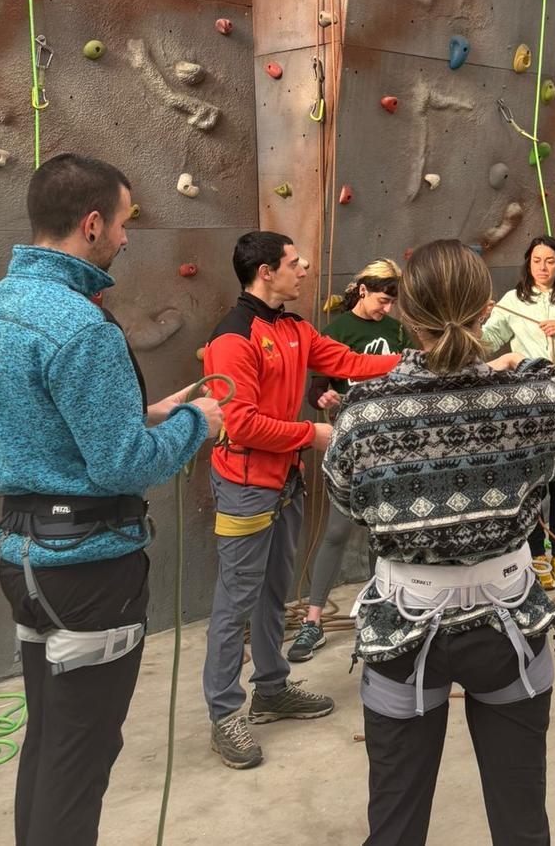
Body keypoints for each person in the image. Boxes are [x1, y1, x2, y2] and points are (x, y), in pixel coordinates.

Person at [323, 239, 555, 846]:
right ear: (485, 313)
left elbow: (348, 499)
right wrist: (520, 367)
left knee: (394, 824)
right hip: (507, 626)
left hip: (403, 625)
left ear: (407, 315)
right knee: (521, 819)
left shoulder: (365, 413)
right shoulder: (535, 400)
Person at [0, 154, 223, 846]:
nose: (127, 238)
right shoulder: (81, 327)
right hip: (89, 568)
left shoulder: (6, 305)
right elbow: (122, 465)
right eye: (124, 224)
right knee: (81, 756)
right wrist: (197, 423)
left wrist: (145, 412)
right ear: (92, 225)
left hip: (26, 559)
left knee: (51, 743)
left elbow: (40, 421)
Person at [201, 232, 401, 769]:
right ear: (265, 272)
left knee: (273, 592)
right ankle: (225, 712)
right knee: (235, 601)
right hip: (245, 486)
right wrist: (312, 435)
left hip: (284, 482)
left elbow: (348, 360)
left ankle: (271, 688)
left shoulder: (293, 328)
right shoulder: (233, 337)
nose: (304, 268)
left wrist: (417, 363)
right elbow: (238, 421)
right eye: (294, 263)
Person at [288, 259, 410, 663]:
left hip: (390, 444)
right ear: (362, 291)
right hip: (351, 443)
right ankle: (313, 619)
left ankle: (380, 611)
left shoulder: (396, 330)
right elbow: (315, 389)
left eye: (391, 302)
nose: (386, 309)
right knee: (337, 531)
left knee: (382, 532)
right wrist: (324, 398)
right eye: (381, 299)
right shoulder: (337, 331)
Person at [481, 235, 555, 589]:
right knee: (533, 482)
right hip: (528, 398)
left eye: (549, 261)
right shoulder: (513, 300)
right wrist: (481, 318)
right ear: (528, 263)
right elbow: (487, 342)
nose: (543, 268)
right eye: (537, 261)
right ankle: (536, 555)